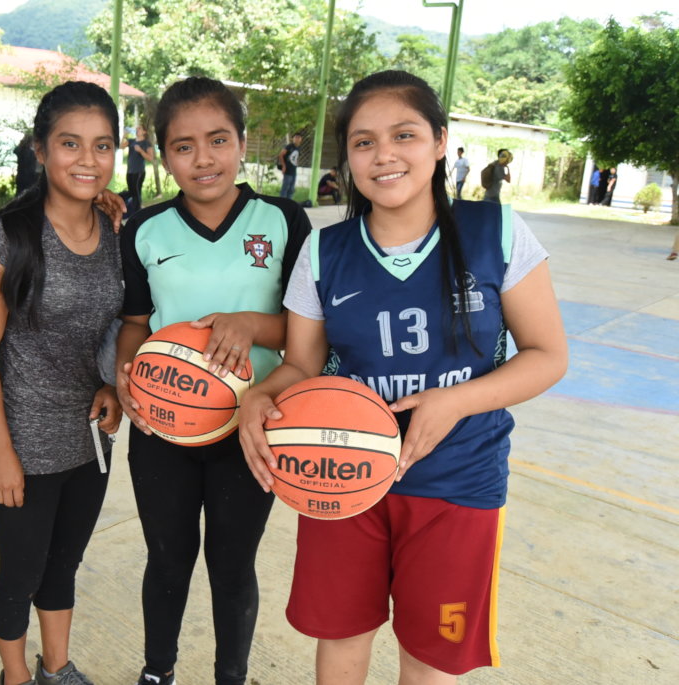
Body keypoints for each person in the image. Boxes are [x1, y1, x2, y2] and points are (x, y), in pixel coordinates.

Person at [237, 70, 568, 685]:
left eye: (405, 134)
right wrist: (259, 395)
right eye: (363, 142)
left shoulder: (495, 231)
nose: (384, 154)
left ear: (441, 141)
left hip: (458, 476)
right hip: (339, 470)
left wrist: (454, 401)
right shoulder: (324, 251)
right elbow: (301, 366)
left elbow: (547, 353)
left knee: (430, 658)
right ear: (349, 160)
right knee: (341, 638)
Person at [116, 76, 312, 685]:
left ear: (242, 141)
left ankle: (233, 676)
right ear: (161, 152)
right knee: (168, 560)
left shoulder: (282, 220)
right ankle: (158, 673)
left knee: (232, 565)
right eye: (183, 146)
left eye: (218, 140)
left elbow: (308, 336)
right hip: (165, 426)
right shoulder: (144, 230)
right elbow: (135, 324)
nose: (203, 159)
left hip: (252, 428)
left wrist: (251, 323)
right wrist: (125, 373)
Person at [0, 81, 124, 685]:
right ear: (40, 150)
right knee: (21, 573)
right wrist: (0, 452)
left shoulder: (118, 232)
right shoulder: (9, 236)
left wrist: (112, 389)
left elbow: (122, 326)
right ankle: (15, 676)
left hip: (91, 437)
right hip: (24, 442)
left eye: (102, 145)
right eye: (70, 144)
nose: (88, 160)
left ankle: (56, 668)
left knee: (64, 567)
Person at [122, 124, 155, 213]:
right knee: (131, 192)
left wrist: (140, 151)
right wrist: (124, 135)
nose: (137, 130)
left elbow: (150, 158)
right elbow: (121, 146)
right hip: (130, 171)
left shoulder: (146, 143)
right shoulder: (131, 141)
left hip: (139, 171)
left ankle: (137, 212)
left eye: (139, 128)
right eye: (136, 128)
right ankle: (133, 209)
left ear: (144, 132)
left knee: (136, 192)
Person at [278, 132, 303, 200]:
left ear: (301, 139)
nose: (297, 139)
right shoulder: (289, 146)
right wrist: (283, 166)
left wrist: (296, 163)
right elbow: (281, 155)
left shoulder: (298, 148)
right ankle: (281, 202)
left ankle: (289, 202)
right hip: (288, 169)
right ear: (293, 139)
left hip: (293, 170)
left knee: (291, 189)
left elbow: (295, 157)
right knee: (285, 187)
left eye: (299, 137)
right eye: (295, 137)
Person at [14, 132, 39, 196]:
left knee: (19, 195)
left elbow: (15, 150)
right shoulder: (32, 153)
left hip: (21, 177)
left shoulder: (20, 151)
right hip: (30, 178)